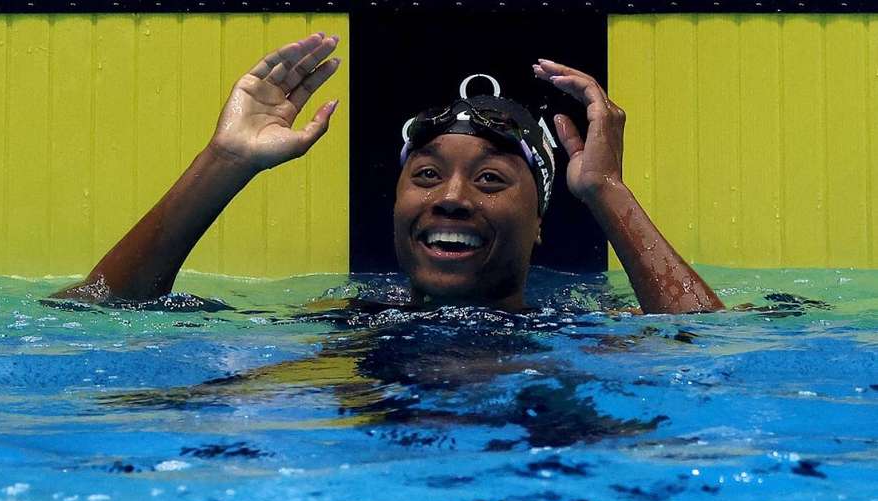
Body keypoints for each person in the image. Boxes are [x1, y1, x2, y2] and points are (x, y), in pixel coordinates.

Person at [53, 32, 723, 315]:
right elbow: (99, 317)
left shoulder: (581, 330)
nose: (452, 198)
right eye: (426, 176)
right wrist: (225, 162)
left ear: (540, 223)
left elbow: (713, 362)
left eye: (491, 180)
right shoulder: (347, 324)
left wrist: (606, 193)